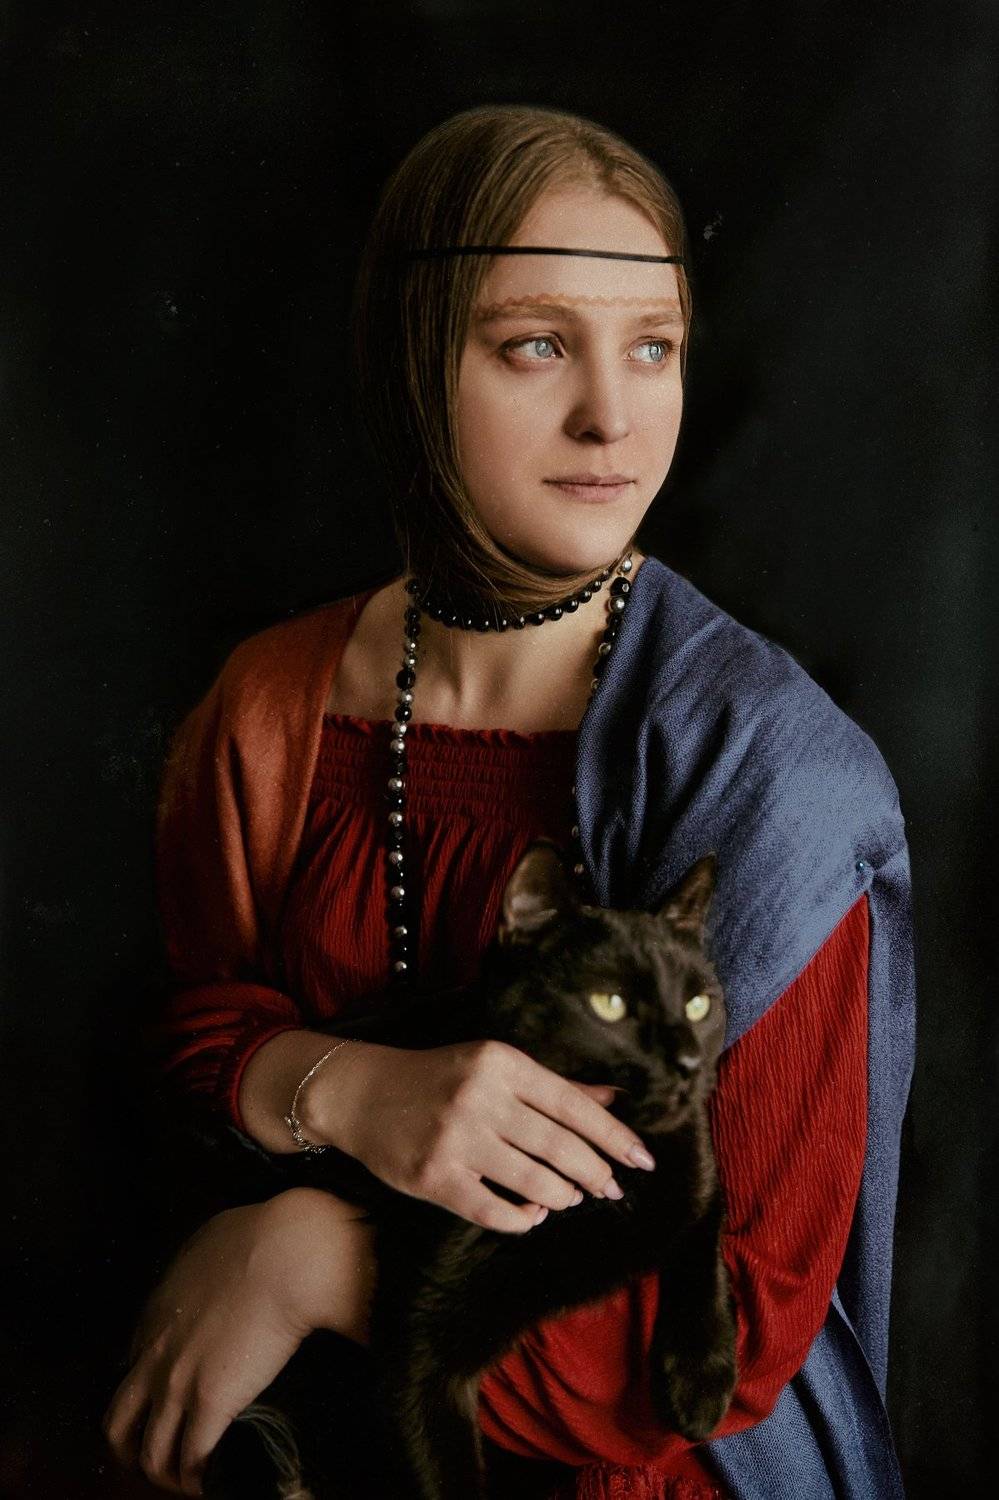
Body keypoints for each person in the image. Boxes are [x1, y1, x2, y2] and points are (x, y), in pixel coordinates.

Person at [102, 105, 915, 1500]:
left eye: (652, 346)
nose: (614, 415)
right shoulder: (268, 703)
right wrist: (350, 1091)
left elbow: (739, 1332)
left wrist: (313, 1260)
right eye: (537, 344)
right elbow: (185, 1053)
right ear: (416, 363)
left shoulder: (778, 774)